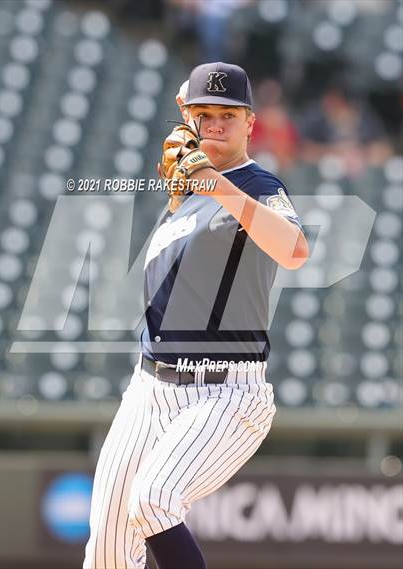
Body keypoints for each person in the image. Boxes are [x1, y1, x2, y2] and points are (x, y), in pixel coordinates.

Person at [83, 62, 309, 569]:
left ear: (251, 121)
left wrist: (216, 185)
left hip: (225, 391)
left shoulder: (258, 183)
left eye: (228, 114)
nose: (215, 125)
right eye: (203, 114)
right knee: (107, 551)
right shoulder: (183, 194)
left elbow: (294, 250)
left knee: (154, 500)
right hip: (149, 389)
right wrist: (195, 187)